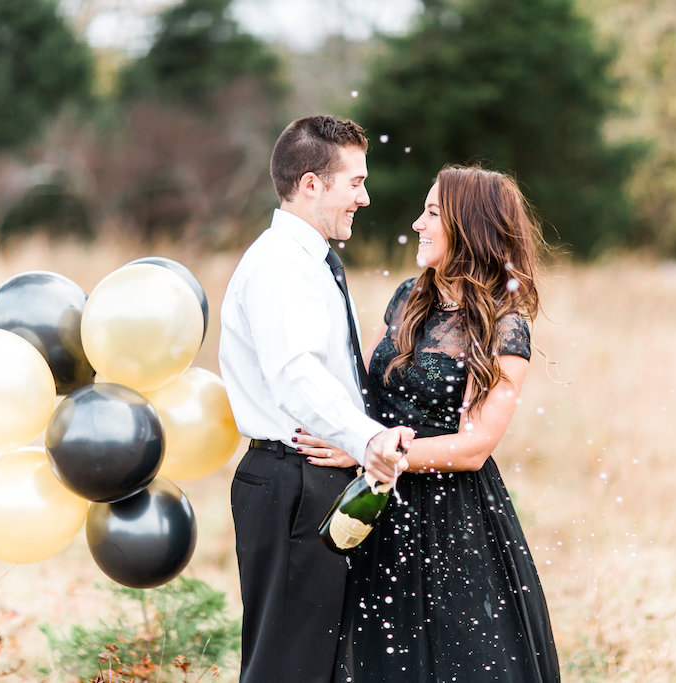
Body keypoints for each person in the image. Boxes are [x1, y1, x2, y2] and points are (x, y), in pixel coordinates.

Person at [298, 165, 561, 681]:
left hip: (451, 519)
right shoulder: (407, 298)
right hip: (378, 506)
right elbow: (361, 389)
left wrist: (370, 451)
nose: (418, 224)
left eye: (433, 213)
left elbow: (474, 447)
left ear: (471, 225)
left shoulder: (505, 324)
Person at [218, 115, 413, 683]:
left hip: (316, 474)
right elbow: (295, 375)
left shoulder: (311, 261)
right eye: (354, 182)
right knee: (288, 666)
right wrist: (370, 439)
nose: (365, 197)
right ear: (311, 184)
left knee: (322, 663)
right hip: (291, 480)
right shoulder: (281, 265)